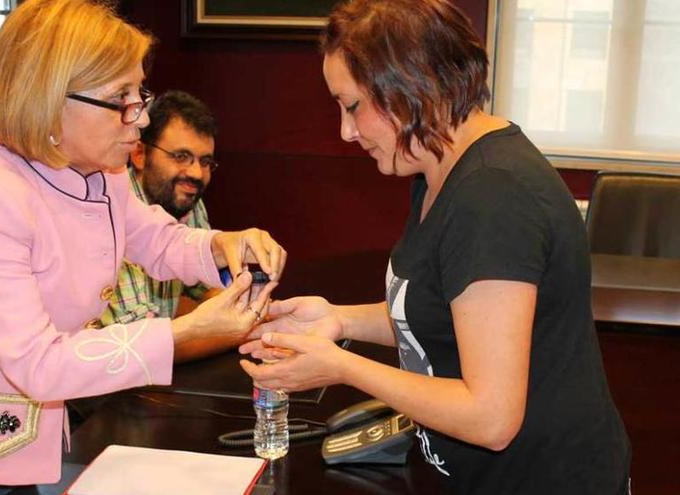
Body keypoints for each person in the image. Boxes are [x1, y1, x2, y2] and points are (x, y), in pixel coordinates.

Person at [0, 1, 285, 492]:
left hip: (28, 444)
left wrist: (222, 244)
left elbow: (152, 237)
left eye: (141, 92)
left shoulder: (99, 167)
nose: (142, 117)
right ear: (50, 98)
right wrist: (184, 331)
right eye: (122, 98)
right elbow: (38, 364)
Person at [240, 1, 630, 494]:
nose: (346, 131)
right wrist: (339, 320)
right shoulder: (438, 168)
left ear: (410, 83)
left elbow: (491, 418)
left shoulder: (492, 196)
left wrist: (341, 365)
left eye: (353, 105)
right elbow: (443, 316)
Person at [97, 90, 237, 361]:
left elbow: (203, 290)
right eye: (181, 156)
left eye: (205, 161)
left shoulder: (187, 202)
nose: (196, 173)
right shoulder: (110, 207)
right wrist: (245, 329)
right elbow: (138, 347)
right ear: (139, 154)